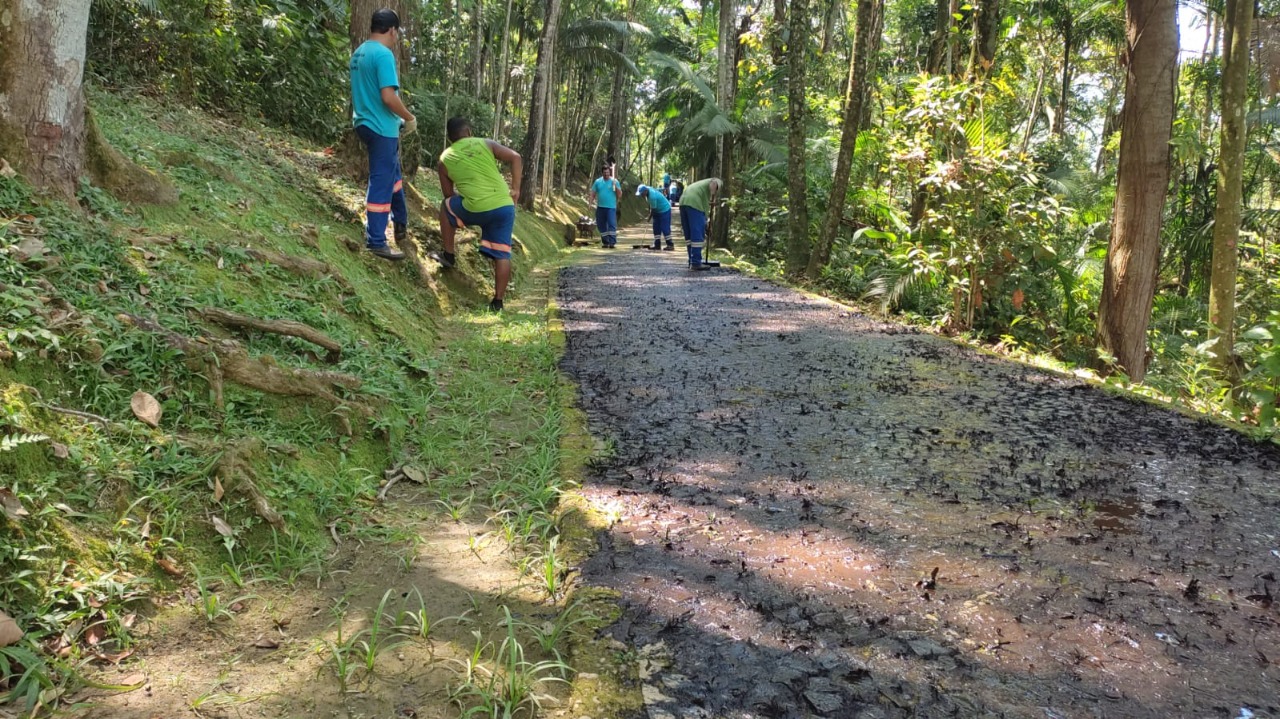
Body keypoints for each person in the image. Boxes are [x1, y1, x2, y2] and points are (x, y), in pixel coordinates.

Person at [436, 117, 522, 312]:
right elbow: (515, 157)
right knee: (502, 253)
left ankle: (448, 255)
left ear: (450, 138)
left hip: (475, 207)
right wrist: (516, 190)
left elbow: (448, 195)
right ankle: (498, 302)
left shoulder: (444, 159)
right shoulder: (486, 143)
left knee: (445, 206)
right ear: (468, 132)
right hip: (504, 206)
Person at [350, 8, 416, 261]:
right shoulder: (383, 54)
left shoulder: (360, 52)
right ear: (392, 30)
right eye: (397, 33)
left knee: (392, 175)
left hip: (364, 122)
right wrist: (409, 118)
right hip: (381, 129)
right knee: (381, 180)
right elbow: (388, 97)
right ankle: (376, 240)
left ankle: (400, 223)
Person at [678, 177, 721, 271]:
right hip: (694, 203)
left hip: (683, 202)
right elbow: (714, 183)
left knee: (689, 234)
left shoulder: (700, 184)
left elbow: (703, 200)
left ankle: (692, 260)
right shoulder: (716, 181)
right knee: (697, 234)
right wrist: (713, 192)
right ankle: (696, 263)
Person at [588, 165, 621, 248]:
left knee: (611, 224)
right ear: (602, 173)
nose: (606, 174)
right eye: (604, 173)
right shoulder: (598, 182)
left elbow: (619, 195)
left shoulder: (615, 181)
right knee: (601, 225)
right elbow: (592, 193)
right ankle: (606, 242)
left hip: (611, 208)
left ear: (609, 172)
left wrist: (616, 187)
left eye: (607, 172)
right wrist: (590, 203)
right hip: (600, 207)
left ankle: (612, 242)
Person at [637, 185, 674, 251]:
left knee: (665, 228)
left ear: (645, 191)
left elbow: (653, 209)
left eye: (642, 193)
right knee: (656, 228)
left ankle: (670, 245)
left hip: (664, 210)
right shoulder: (647, 190)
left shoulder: (652, 197)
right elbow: (651, 207)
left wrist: (649, 218)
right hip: (657, 210)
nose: (641, 195)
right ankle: (657, 245)